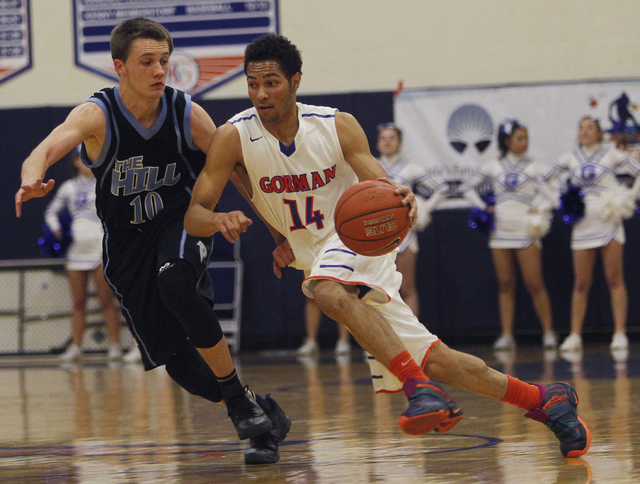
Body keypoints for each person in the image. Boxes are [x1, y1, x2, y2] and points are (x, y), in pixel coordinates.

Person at [185, 33, 591, 458]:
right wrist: (222, 220)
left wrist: (401, 194)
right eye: (253, 84)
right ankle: (546, 399)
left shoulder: (334, 125)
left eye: (271, 82)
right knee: (436, 359)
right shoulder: (234, 136)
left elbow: (379, 182)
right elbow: (197, 212)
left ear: (296, 81)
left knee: (326, 291)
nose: (261, 93)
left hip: (358, 239)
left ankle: (419, 392)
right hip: (316, 256)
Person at [15, 18, 290, 465]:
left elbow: (239, 172)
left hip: (182, 222)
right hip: (126, 246)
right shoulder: (97, 114)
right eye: (148, 62)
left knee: (175, 282)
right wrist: (32, 179)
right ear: (119, 67)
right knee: (177, 362)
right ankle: (255, 412)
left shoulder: (187, 112)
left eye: (164, 60)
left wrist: (278, 234)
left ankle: (242, 407)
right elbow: (44, 150)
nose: (160, 70)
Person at [543, 116, 640, 353]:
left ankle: (619, 333)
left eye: (590, 128)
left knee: (614, 278)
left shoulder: (611, 154)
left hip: (608, 221)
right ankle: (575, 335)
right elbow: (544, 179)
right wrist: (560, 201)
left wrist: (629, 197)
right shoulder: (570, 157)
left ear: (599, 133)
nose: (585, 131)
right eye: (581, 127)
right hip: (583, 224)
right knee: (581, 283)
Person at [461, 120, 557, 351]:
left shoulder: (536, 167)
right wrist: (483, 207)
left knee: (535, 283)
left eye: (526, 138)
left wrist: (540, 206)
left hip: (526, 230)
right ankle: (507, 334)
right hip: (500, 231)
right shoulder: (494, 166)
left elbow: (556, 192)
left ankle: (549, 332)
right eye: (519, 138)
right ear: (507, 141)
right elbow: (466, 187)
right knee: (505, 284)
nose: (524, 142)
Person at [44, 148, 124, 361]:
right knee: (78, 302)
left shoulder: (105, 183)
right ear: (75, 163)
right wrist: (55, 229)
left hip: (99, 248)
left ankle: (114, 346)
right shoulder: (68, 187)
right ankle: (76, 347)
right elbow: (51, 211)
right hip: (76, 251)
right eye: (81, 159)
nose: (86, 163)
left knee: (106, 299)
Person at [376, 122, 447, 316]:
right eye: (383, 138)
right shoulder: (371, 166)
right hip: (377, 235)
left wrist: (423, 210)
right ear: (377, 143)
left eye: (392, 138)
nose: (387, 142)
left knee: (407, 288)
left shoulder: (410, 168)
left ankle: (413, 340)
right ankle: (381, 342)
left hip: (405, 234)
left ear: (400, 143)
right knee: (377, 290)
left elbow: (443, 189)